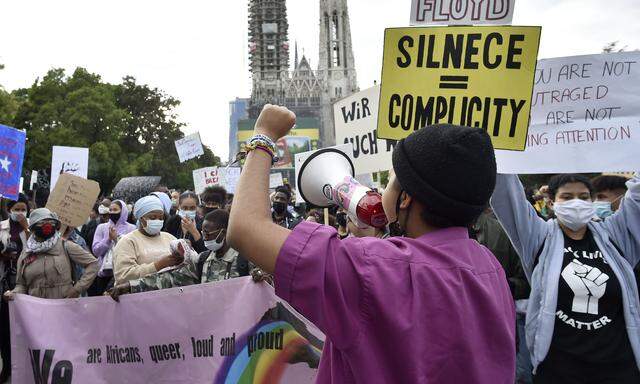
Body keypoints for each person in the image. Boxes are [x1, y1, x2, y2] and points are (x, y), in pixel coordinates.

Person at [228, 105, 515, 383]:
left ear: (405, 198)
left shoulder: (369, 268)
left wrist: (263, 135)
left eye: (390, 181)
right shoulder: (491, 268)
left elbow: (245, 228)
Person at [491, 172, 640, 383]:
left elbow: (638, 198)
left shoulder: (615, 237)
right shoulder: (540, 238)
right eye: (567, 197)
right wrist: (503, 155)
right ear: (551, 202)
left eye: (584, 196)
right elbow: (505, 193)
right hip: (559, 368)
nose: (577, 203)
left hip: (619, 367)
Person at [108, 209, 241, 300]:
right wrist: (130, 286)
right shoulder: (202, 260)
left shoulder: (244, 260)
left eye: (208, 234)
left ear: (223, 233)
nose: (204, 238)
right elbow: (169, 279)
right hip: (213, 331)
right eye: (203, 233)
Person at [3, 208, 98, 300]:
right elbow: (21, 285)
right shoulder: (26, 253)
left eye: (51, 222)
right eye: (42, 223)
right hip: (37, 310)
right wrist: (13, 294)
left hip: (64, 307)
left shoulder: (65, 246)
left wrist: (77, 289)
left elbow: (93, 264)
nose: (47, 225)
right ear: (33, 228)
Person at [113, 195, 182, 284]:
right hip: (141, 296)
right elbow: (123, 275)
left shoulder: (169, 238)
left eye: (161, 218)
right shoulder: (128, 241)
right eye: (152, 218)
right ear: (141, 219)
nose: (157, 220)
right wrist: (157, 265)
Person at [0, 194, 29, 383]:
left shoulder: (34, 228)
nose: (19, 212)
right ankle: (7, 365)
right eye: (16, 209)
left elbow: (36, 247)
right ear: (9, 210)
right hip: (4, 280)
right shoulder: (1, 227)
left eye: (22, 209)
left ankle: (25, 366)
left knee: (23, 326)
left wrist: (27, 228)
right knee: (4, 327)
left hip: (24, 282)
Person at [89, 200, 136, 295]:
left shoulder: (132, 229)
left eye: (115, 210)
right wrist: (108, 239)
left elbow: (132, 250)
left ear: (122, 211)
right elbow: (96, 251)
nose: (112, 212)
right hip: (104, 274)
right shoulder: (101, 228)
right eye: (110, 210)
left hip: (123, 272)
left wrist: (116, 239)